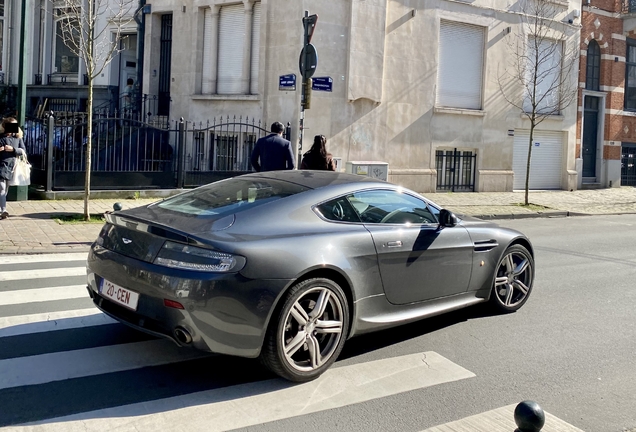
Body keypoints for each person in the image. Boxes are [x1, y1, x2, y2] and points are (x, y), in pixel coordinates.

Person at [0, 117, 27, 220]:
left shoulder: (17, 138)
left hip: (11, 167)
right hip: (1, 166)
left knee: (5, 189)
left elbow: (23, 151)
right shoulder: (1, 137)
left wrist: (13, 149)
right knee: (2, 189)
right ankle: (3, 210)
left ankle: (1, 208)